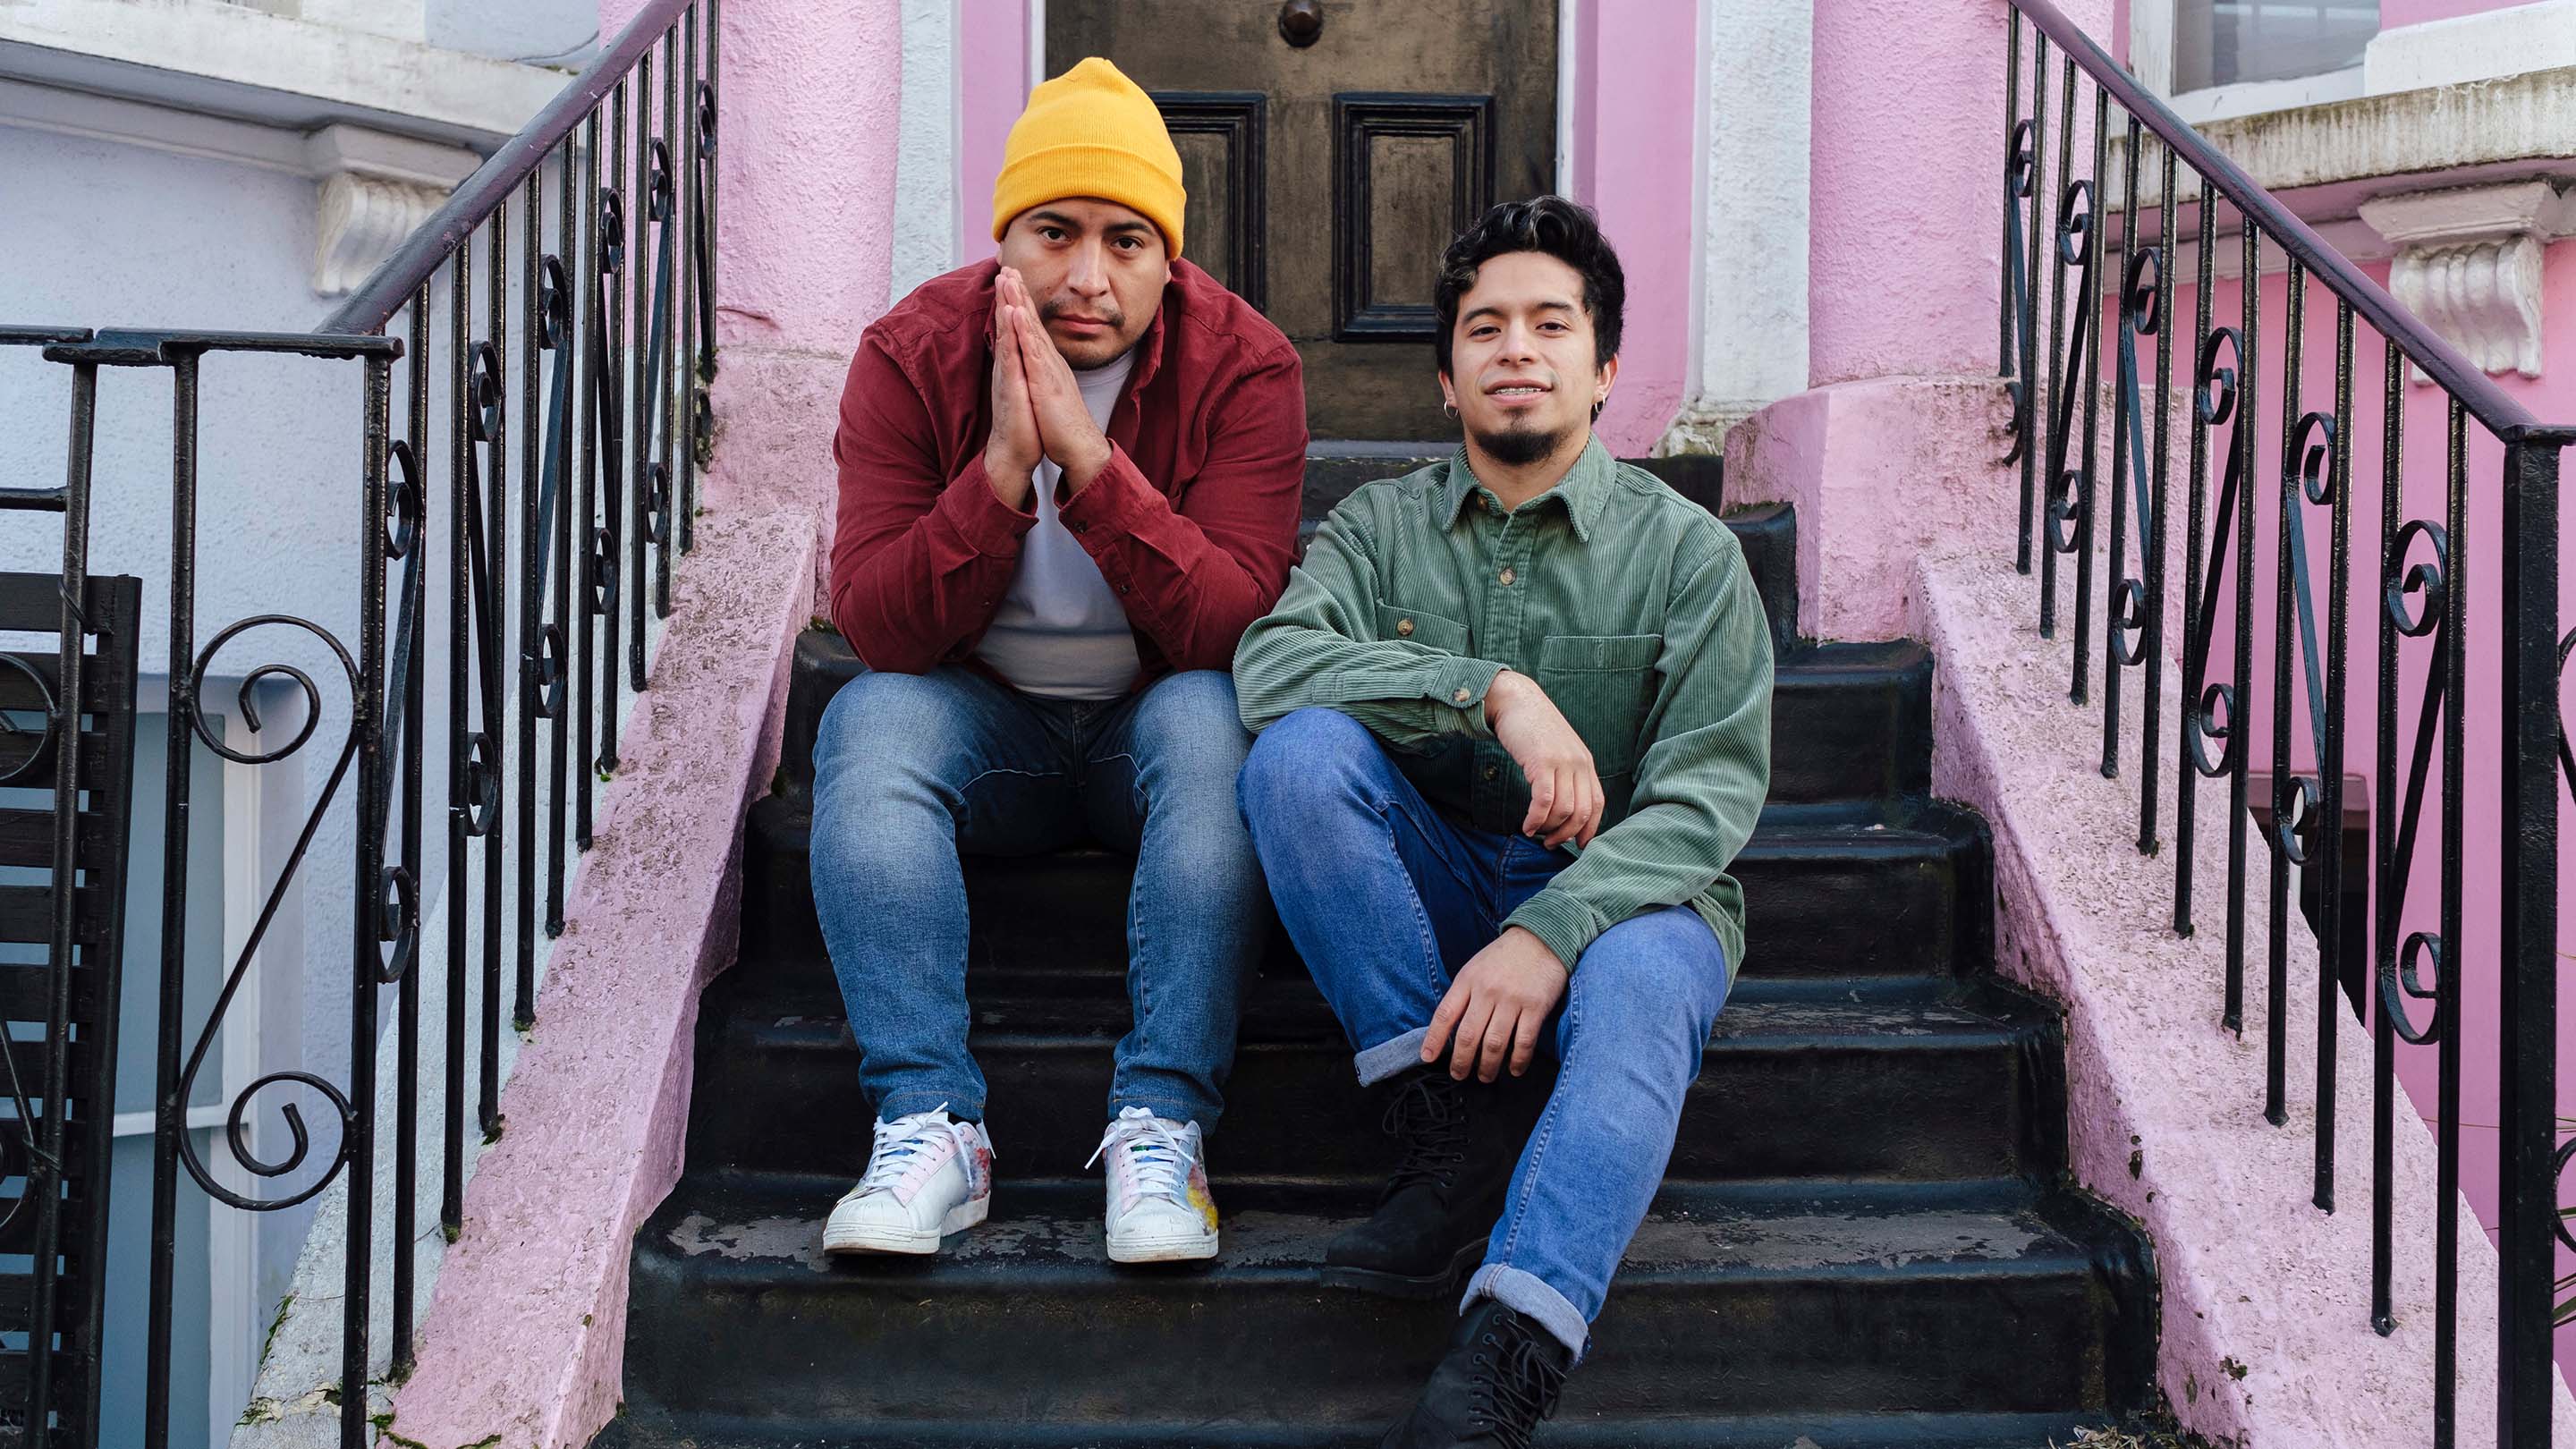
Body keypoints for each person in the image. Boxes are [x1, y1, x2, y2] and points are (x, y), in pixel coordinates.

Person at [1233, 196, 1772, 1445]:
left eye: (1550, 323)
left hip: (1625, 895)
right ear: (1445, 375)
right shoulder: (1375, 527)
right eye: (1485, 328)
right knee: (1299, 758)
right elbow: (1270, 669)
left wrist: (1555, 932)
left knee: (1645, 982)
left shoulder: (1692, 559)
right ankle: (1445, 1133)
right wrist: (1493, 693)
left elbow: (1705, 803)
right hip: (1426, 883)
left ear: (1605, 368)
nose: (1516, 350)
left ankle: (1508, 1354)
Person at [811, 56, 1306, 1266]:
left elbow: (1233, 626)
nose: (1087, 276)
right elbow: (878, 624)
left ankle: (1165, 1127)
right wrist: (994, 476)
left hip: (1151, 731)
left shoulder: (1247, 366)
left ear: (1170, 258)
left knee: (1213, 714)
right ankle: (930, 1126)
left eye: (1126, 241)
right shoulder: (911, 354)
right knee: (868, 723)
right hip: (992, 738)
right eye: (1055, 233)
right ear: (1003, 241)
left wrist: (1089, 466)